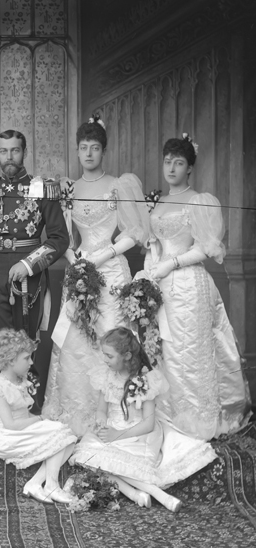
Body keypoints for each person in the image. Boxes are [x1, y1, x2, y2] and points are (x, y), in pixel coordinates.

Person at [42, 116, 149, 435]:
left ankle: (120, 410)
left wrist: (107, 253)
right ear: (77, 151)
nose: (88, 153)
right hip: (81, 268)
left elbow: (135, 231)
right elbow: (61, 234)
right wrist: (75, 259)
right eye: (83, 148)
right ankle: (77, 407)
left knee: (111, 332)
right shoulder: (69, 189)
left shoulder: (120, 184)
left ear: (104, 151)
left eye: (95, 148)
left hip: (112, 268)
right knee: (77, 338)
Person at [144, 135, 250, 439]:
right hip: (159, 284)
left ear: (190, 168)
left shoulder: (199, 200)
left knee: (188, 350)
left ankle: (197, 420)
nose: (172, 168)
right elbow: (154, 242)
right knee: (163, 349)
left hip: (188, 284)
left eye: (179, 163)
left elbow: (206, 248)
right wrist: (152, 265)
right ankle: (168, 416)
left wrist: (171, 264)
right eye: (168, 162)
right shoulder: (158, 202)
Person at [70, 327, 217, 511]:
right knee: (88, 458)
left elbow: (148, 424)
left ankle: (161, 496)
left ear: (127, 356)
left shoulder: (146, 380)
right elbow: (101, 410)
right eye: (104, 355)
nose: (104, 360)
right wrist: (101, 422)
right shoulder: (106, 376)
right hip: (113, 428)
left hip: (138, 433)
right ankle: (135, 494)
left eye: (109, 356)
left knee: (109, 463)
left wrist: (118, 435)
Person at [0, 129, 69, 390]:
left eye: (14, 150)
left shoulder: (42, 189)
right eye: (4, 151)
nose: (9, 157)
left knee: (25, 343)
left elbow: (59, 239)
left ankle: (27, 406)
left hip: (29, 277)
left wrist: (28, 264)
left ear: (24, 152)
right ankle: (0, 405)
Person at [0, 329, 76, 504]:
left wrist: (45, 419)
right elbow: (10, 424)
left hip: (18, 429)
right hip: (4, 436)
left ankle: (37, 482)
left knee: (68, 437)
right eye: (26, 358)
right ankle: (51, 485)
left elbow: (24, 413)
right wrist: (41, 420)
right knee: (61, 433)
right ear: (11, 360)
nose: (30, 362)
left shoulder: (19, 381)